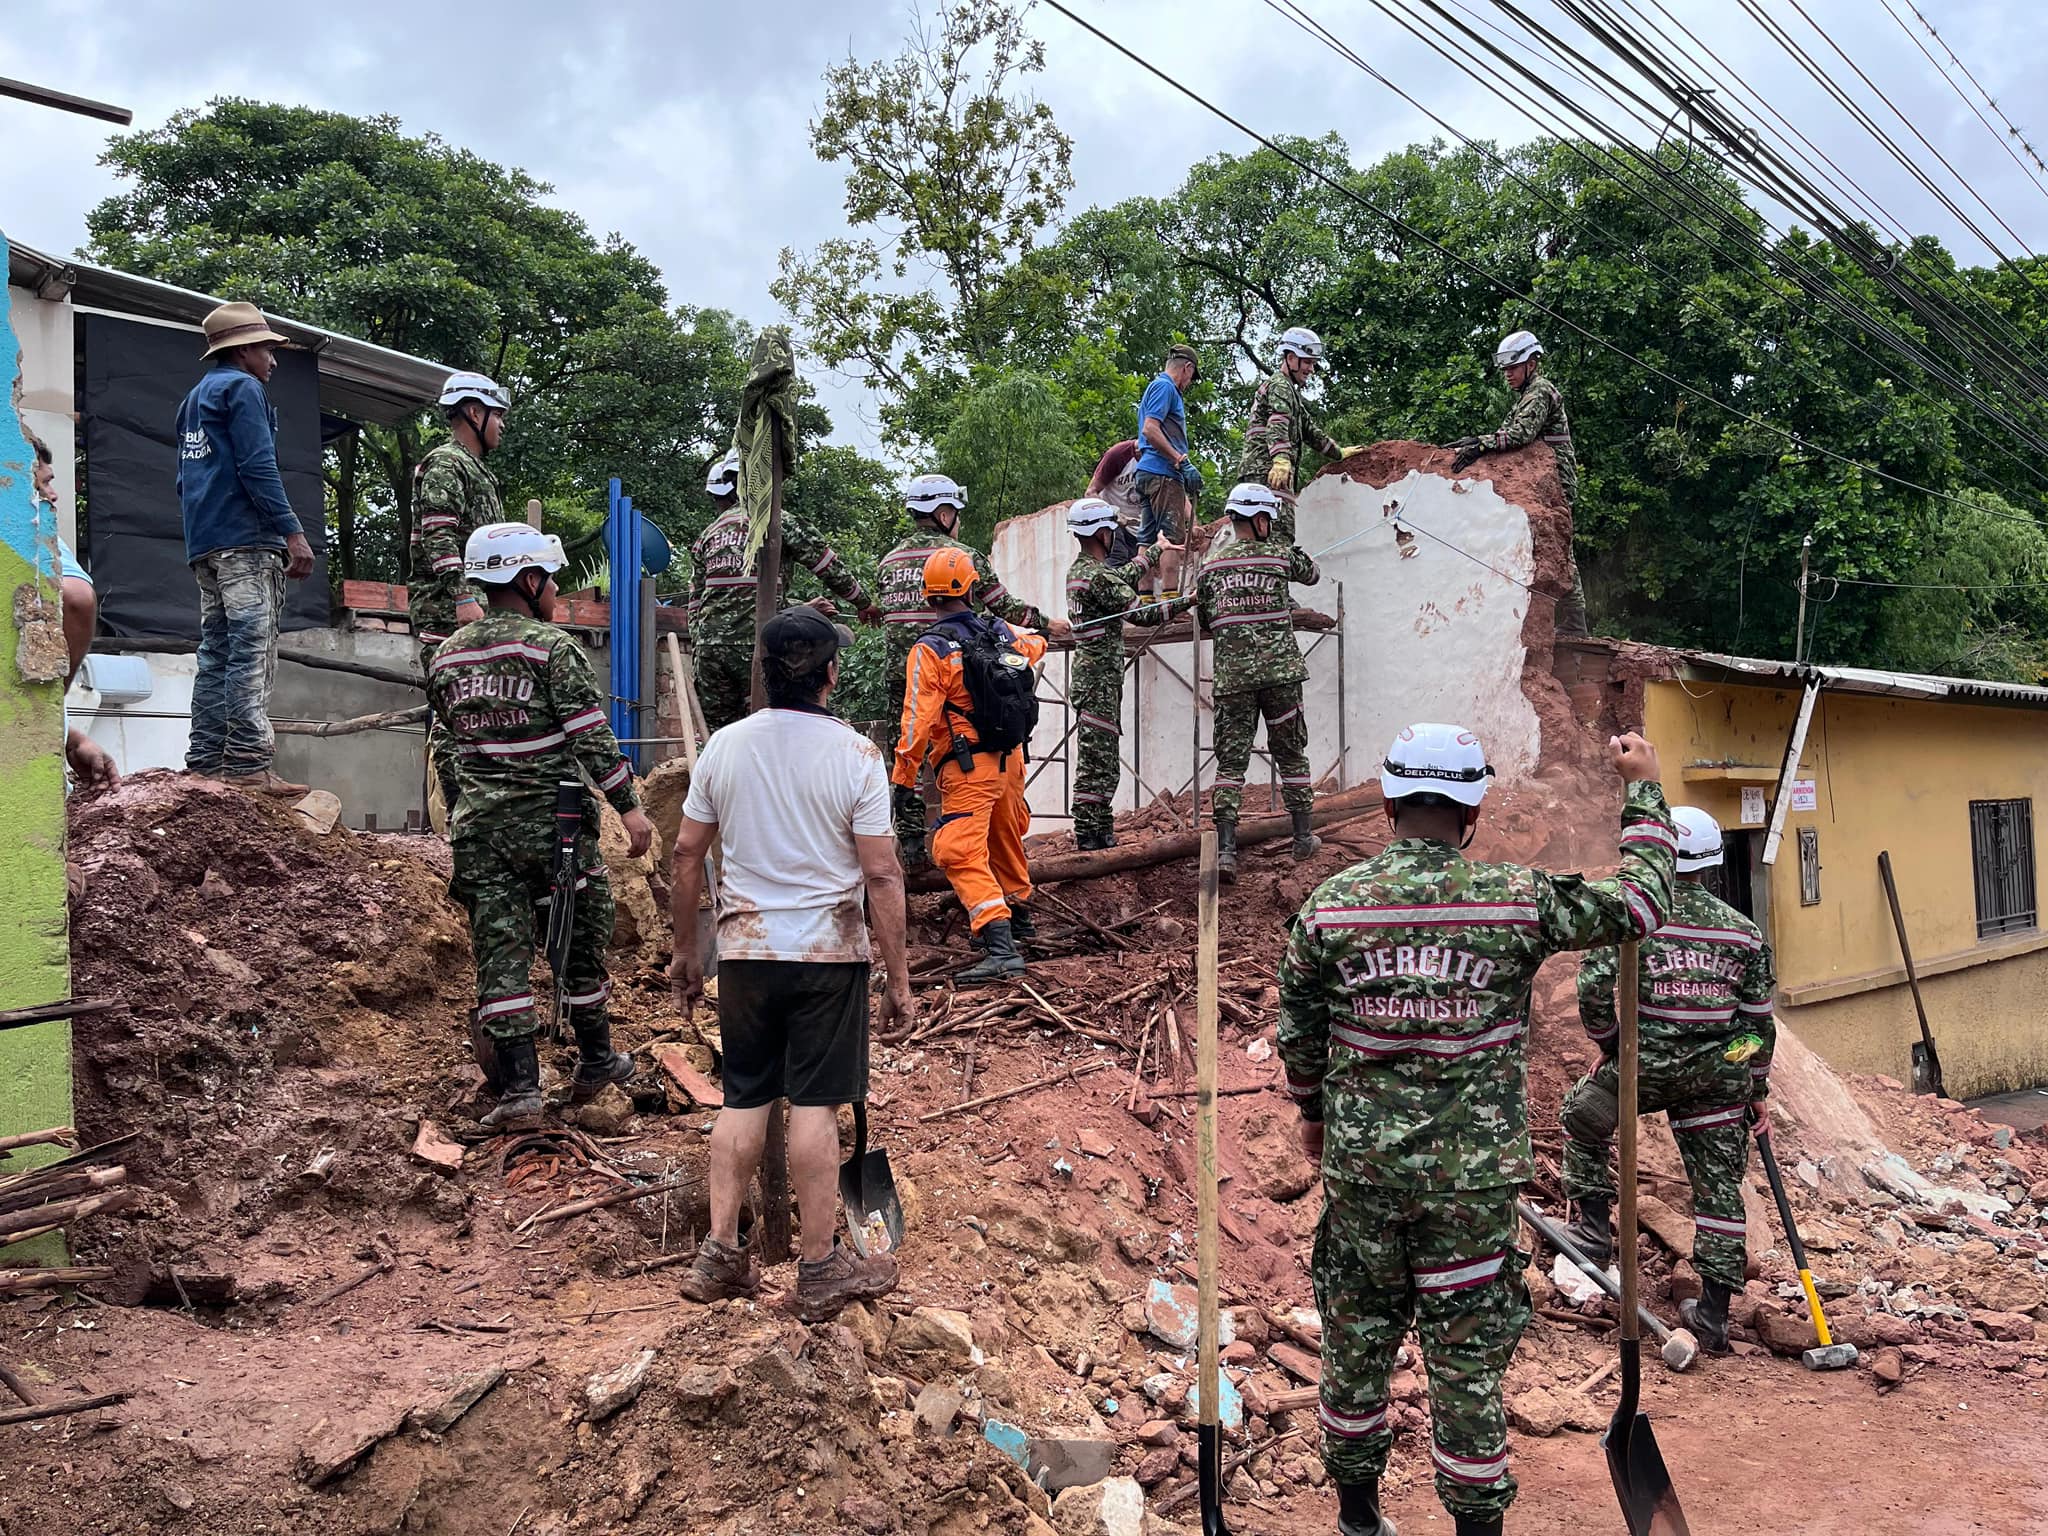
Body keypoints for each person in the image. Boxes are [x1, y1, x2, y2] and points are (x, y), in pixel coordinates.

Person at [1277, 722, 1676, 1536]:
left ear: (1388, 802)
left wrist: (1316, 1120)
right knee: (1464, 1363)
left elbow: (1300, 1034)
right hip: (1471, 1189)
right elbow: (1640, 904)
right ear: (1474, 809)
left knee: (1356, 1345)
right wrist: (1644, 788)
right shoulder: (1514, 900)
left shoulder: (1330, 909)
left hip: (1364, 1181)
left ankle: (1358, 1519)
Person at [668, 605, 911, 1321]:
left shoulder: (724, 749)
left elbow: (686, 855)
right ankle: (819, 1266)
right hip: (826, 956)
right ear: (830, 673)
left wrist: (688, 950)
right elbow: (883, 875)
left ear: (766, 674)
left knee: (743, 1097)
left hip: (744, 954)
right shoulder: (857, 756)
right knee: (813, 1107)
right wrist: (899, 979)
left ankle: (718, 1254)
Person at [424, 523, 655, 1128]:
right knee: (579, 942)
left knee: (499, 956)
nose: (555, 590)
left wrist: (467, 809)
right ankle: (597, 1061)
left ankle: (521, 1091)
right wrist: (628, 807)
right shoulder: (551, 648)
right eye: (551, 579)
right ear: (529, 581)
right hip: (553, 833)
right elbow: (590, 736)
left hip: (481, 835)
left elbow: (445, 749)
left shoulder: (447, 655)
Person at [1560, 804, 1775, 1355]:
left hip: (1642, 1067)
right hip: (1717, 1078)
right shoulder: (1745, 934)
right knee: (1719, 1191)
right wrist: (1753, 1087)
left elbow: (1591, 989)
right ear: (1712, 862)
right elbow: (1756, 1026)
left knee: (1583, 1119)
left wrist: (1609, 1045)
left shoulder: (1635, 917)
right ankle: (1714, 1316)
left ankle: (1591, 1231)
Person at [873, 474, 1066, 868]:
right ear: (943, 514)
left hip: (906, 677)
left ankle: (912, 849)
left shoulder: (889, 562)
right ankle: (974, 855)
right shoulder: (961, 557)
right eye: (955, 514)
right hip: (961, 678)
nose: (958, 521)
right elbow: (1004, 608)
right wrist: (1048, 625)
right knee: (965, 759)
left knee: (909, 754)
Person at [176, 301, 317, 797]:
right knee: (252, 649)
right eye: (265, 348)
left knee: (216, 650)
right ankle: (249, 763)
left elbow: (186, 479)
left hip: (206, 545)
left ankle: (205, 761)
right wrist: (291, 531)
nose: (273, 360)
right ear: (242, 350)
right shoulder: (244, 389)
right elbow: (258, 467)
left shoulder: (194, 398)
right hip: (245, 542)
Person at [893, 547, 1046, 982]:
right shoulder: (1000, 632)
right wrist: (1035, 632)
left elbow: (916, 719)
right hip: (1011, 762)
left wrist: (903, 779)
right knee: (1005, 837)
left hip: (967, 766)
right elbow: (1035, 646)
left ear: (928, 597)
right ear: (972, 588)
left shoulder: (931, 649)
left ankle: (999, 946)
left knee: (957, 849)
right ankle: (1019, 921)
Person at [687, 446, 878, 733]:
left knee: (721, 736)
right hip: (758, 646)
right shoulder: (778, 521)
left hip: (710, 652)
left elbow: (696, 602)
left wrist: (700, 646)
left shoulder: (709, 534)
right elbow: (825, 564)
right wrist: (863, 603)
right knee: (774, 730)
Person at [1193, 482, 1322, 882]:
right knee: (1292, 754)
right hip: (1281, 676)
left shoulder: (1211, 567)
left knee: (1231, 763)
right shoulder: (1280, 555)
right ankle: (1303, 838)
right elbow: (1313, 574)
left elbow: (1205, 620)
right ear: (1263, 519)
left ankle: (1228, 850)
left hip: (1233, 680)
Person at [409, 372, 512, 815]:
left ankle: (480, 812)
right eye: (498, 415)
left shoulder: (476, 470)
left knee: (481, 711)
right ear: (475, 412)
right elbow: (438, 532)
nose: (503, 425)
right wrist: (461, 596)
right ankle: (458, 818)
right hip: (447, 616)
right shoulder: (447, 464)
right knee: (455, 716)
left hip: (475, 614)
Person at [1448, 332, 1587, 636]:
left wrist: (1479, 444)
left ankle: (1574, 623)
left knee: (1558, 547)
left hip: (1555, 481)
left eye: (1514, 368)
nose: (1508, 375)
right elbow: (1508, 433)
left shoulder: (1539, 392)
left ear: (1532, 364)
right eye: (1506, 370)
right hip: (1541, 480)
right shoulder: (1527, 395)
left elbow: (1520, 434)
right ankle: (1565, 620)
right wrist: (1474, 445)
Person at [1063, 498, 1182, 850]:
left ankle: (1099, 831)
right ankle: (1089, 835)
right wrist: (1187, 601)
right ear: (1102, 533)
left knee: (1099, 757)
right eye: (1112, 530)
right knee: (1098, 763)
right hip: (1098, 681)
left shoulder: (1081, 571)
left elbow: (1122, 576)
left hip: (1094, 679)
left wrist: (1156, 551)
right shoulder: (1096, 577)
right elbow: (1142, 616)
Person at [30, 431, 117, 789]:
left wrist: (72, 740)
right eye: (45, 484)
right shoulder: (30, 526)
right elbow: (77, 599)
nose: (53, 495)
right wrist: (48, 710)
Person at [1236, 326, 1362, 542]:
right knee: (1277, 538)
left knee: (1270, 538)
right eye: (1307, 362)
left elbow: (1310, 431)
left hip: (1266, 475)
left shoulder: (1288, 392)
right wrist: (1281, 460)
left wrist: (1338, 452)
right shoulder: (1280, 386)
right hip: (1269, 475)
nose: (1311, 369)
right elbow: (1277, 422)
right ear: (1291, 358)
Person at [1131, 345, 1206, 592]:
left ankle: (1144, 600)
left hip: (1147, 474)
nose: (1189, 384)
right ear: (1187, 368)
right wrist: (1180, 461)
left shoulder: (1155, 388)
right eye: (1191, 378)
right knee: (1171, 539)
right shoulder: (1166, 388)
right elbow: (1150, 429)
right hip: (1163, 473)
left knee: (1147, 538)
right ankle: (1172, 602)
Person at [1084, 439, 1145, 565]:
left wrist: (1194, 523)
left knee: (1138, 570)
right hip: (1114, 524)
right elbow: (1090, 493)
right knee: (1117, 560)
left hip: (1139, 529)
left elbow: (1177, 496)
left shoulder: (1160, 460)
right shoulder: (1119, 454)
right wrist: (1112, 515)